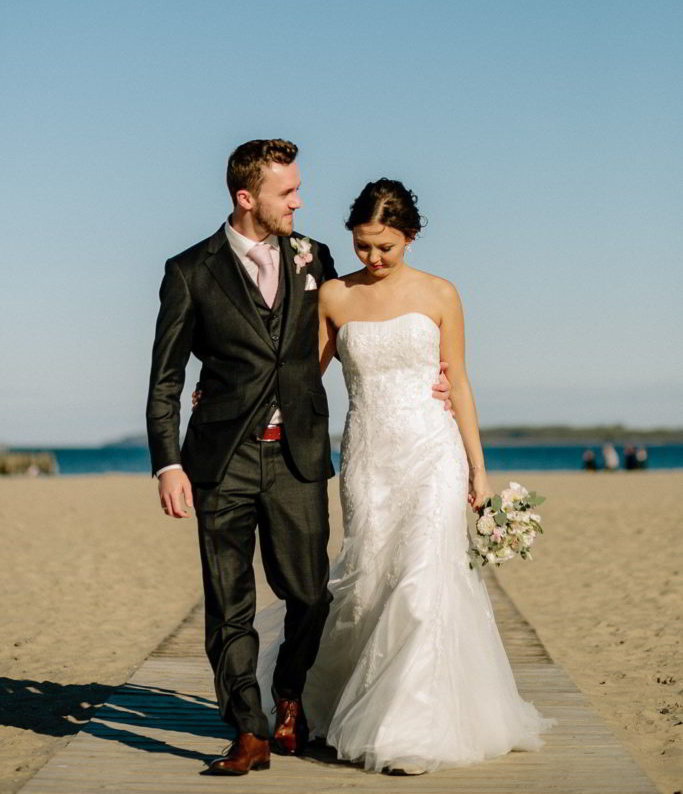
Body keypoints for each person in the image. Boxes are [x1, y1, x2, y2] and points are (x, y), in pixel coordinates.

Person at [146, 142, 451, 777]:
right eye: (288, 192)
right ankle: (249, 730)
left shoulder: (316, 256)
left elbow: (348, 331)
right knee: (227, 601)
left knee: (310, 593)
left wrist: (430, 375)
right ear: (246, 198)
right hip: (220, 460)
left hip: (297, 456)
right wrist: (168, 462)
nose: (299, 201)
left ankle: (290, 695)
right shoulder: (189, 272)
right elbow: (166, 380)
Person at [256, 178, 554, 774]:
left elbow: (459, 380)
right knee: (368, 581)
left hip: (433, 452)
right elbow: (303, 377)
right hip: (369, 459)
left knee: (422, 582)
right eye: (363, 246)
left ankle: (410, 729)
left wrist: (479, 471)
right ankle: (337, 701)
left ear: (410, 237)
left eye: (384, 247)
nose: (372, 258)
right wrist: (240, 397)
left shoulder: (442, 294)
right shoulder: (335, 296)